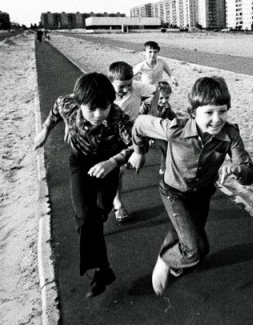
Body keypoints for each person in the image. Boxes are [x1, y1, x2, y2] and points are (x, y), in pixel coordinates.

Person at [129, 76, 253, 296]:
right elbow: (140, 124)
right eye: (209, 112)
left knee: (196, 244)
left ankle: (174, 260)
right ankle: (166, 261)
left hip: (202, 194)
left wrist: (237, 170)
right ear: (193, 112)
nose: (217, 119)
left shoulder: (230, 134)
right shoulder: (174, 129)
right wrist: (139, 152)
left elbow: (248, 174)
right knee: (195, 250)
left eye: (222, 111)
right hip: (173, 192)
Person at [33, 73, 133, 298]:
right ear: (79, 105)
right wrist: (45, 131)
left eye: (104, 107)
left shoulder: (119, 118)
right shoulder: (69, 106)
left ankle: (101, 268)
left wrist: (112, 162)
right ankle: (101, 270)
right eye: (91, 109)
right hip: (80, 163)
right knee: (85, 216)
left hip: (108, 166)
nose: (98, 115)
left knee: (97, 216)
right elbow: (56, 109)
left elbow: (137, 145)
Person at [108, 61, 156, 223]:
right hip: (108, 136)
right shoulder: (103, 91)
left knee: (120, 169)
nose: (127, 89)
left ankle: (116, 202)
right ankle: (117, 204)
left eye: (129, 85)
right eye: (121, 86)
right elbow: (79, 100)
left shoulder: (137, 87)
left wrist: (150, 111)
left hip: (130, 135)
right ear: (110, 82)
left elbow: (158, 91)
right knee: (117, 171)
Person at [139, 80, 177, 176]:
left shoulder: (167, 107)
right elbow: (139, 118)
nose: (164, 101)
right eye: (161, 98)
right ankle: (131, 159)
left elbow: (173, 117)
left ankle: (163, 168)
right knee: (137, 146)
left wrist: (179, 123)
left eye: (167, 98)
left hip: (157, 131)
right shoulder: (147, 104)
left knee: (166, 148)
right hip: (145, 129)